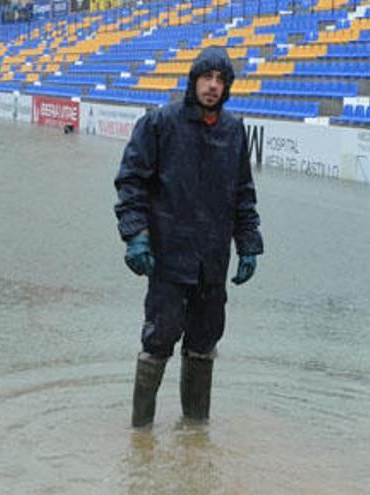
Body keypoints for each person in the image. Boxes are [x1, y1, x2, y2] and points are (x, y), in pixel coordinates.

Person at [113, 46, 264, 428]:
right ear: (193, 80)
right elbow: (131, 183)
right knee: (159, 339)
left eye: (220, 80)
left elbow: (243, 194)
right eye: (206, 77)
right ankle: (141, 433)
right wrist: (136, 236)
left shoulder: (234, 131)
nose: (213, 86)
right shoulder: (159, 124)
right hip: (168, 257)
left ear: (227, 87)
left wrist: (248, 245)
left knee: (204, 342)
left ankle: (195, 434)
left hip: (212, 262)